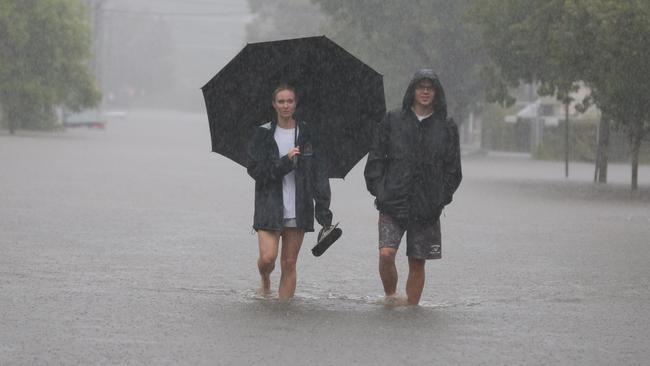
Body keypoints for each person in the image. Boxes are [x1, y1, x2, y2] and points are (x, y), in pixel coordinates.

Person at [364, 69, 462, 305]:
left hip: (427, 206)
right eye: (421, 87)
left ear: (436, 93)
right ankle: (390, 298)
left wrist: (441, 197)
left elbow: (453, 169)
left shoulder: (446, 126)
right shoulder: (393, 120)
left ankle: (411, 311)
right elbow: (376, 158)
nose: (425, 92)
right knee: (386, 254)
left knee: (417, 261)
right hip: (392, 202)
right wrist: (380, 189)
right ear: (413, 91)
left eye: (430, 87)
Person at [246, 84, 334, 300]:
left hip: (300, 205)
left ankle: (284, 312)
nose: (286, 105)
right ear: (274, 104)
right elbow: (256, 171)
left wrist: (323, 212)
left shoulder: (308, 134)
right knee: (268, 259)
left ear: (296, 104)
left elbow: (319, 174)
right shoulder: (263, 133)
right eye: (281, 101)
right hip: (269, 205)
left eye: (290, 101)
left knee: (289, 263)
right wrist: (285, 162)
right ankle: (265, 278)